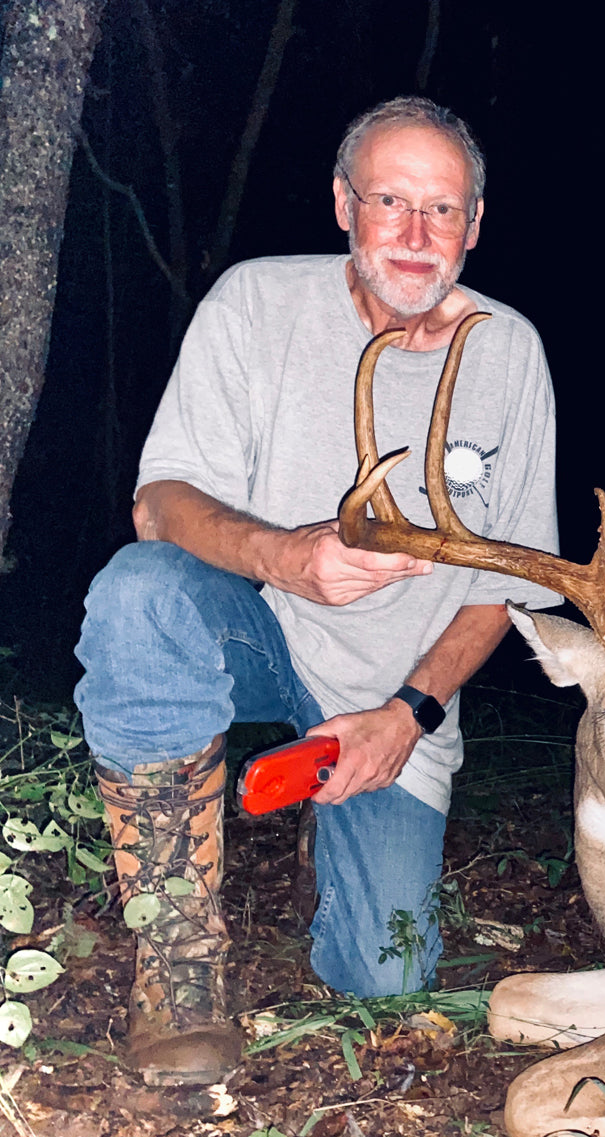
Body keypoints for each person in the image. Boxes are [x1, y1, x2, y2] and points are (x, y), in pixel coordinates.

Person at [72, 96, 560, 1085]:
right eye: (391, 200)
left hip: (387, 710)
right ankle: (175, 958)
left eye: (443, 209)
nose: (417, 235)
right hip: (260, 627)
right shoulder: (255, 305)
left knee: (387, 974)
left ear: (475, 222)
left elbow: (503, 590)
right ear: (344, 204)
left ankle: (331, 828)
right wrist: (286, 558)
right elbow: (159, 505)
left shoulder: (509, 352)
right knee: (142, 596)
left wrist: (406, 715)